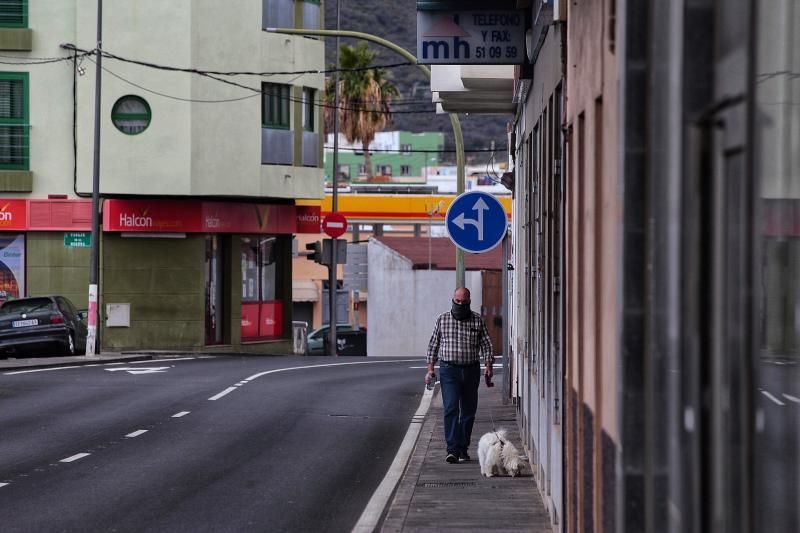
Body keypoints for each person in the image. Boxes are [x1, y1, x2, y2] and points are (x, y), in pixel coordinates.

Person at [425, 286, 494, 463]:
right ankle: (452, 449)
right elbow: (433, 344)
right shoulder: (442, 319)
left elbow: (486, 344)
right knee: (451, 408)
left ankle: (463, 447)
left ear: (469, 301)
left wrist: (488, 365)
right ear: (453, 299)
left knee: (469, 412)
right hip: (449, 371)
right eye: (458, 301)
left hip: (471, 370)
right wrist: (430, 369)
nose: (460, 304)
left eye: (464, 301)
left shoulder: (477, 320)